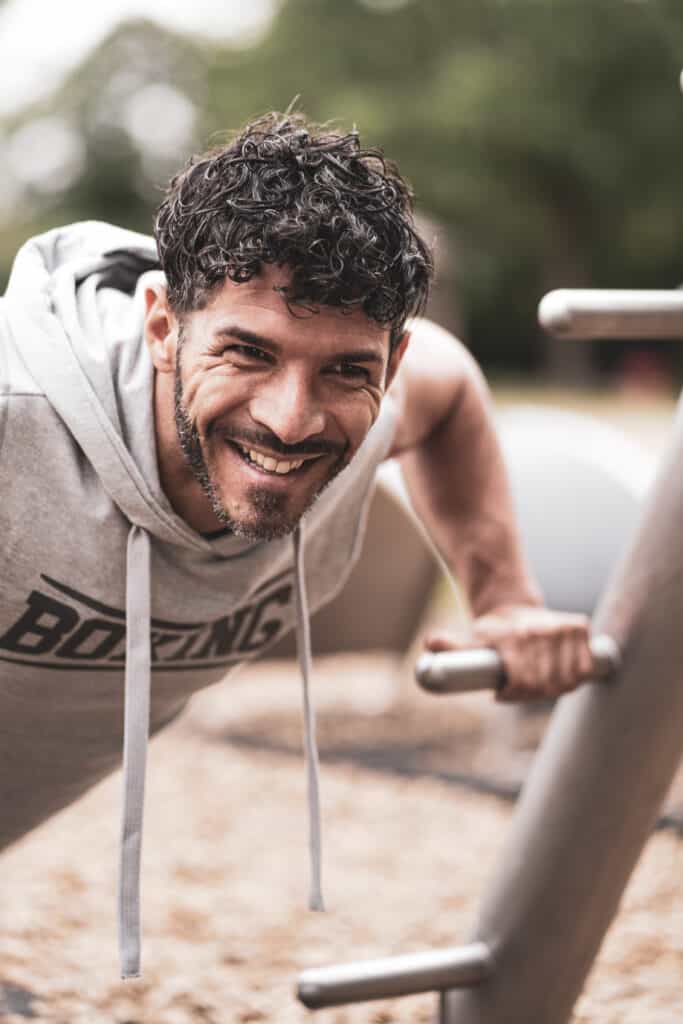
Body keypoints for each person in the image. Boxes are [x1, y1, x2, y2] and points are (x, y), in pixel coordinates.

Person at [0, 112, 593, 977]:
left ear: (390, 362)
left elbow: (451, 385)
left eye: (346, 370)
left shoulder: (389, 397)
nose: (290, 420)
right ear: (162, 327)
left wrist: (504, 600)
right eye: (248, 353)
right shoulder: (16, 426)